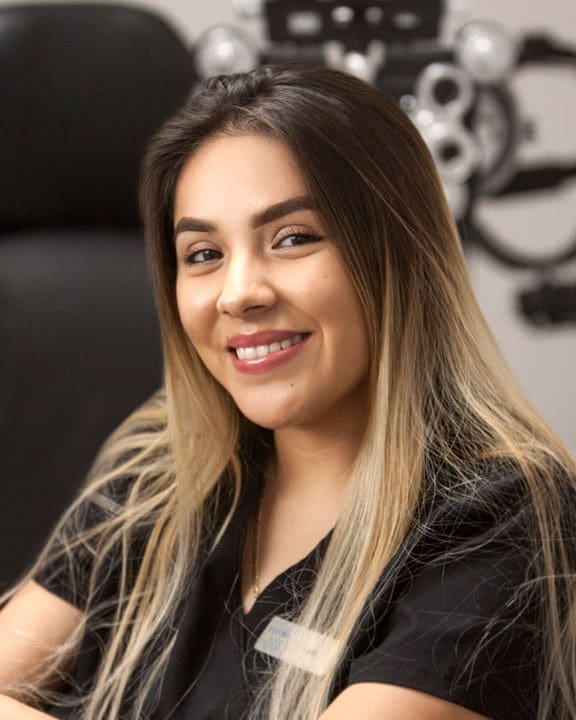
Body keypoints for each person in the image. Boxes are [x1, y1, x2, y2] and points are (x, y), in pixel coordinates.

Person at [1, 65, 575, 720]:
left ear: (398, 254)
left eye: (293, 238)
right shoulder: (154, 484)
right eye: (203, 253)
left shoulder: (505, 517)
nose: (240, 292)